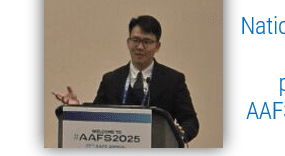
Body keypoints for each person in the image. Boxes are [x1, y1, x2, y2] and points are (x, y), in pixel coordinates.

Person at [53, 15, 199, 144]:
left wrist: (179, 135)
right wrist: (77, 106)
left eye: (146, 41)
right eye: (135, 40)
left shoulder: (173, 80)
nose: (140, 47)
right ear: (128, 42)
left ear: (157, 46)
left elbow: (190, 121)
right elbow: (97, 116)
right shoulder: (111, 79)